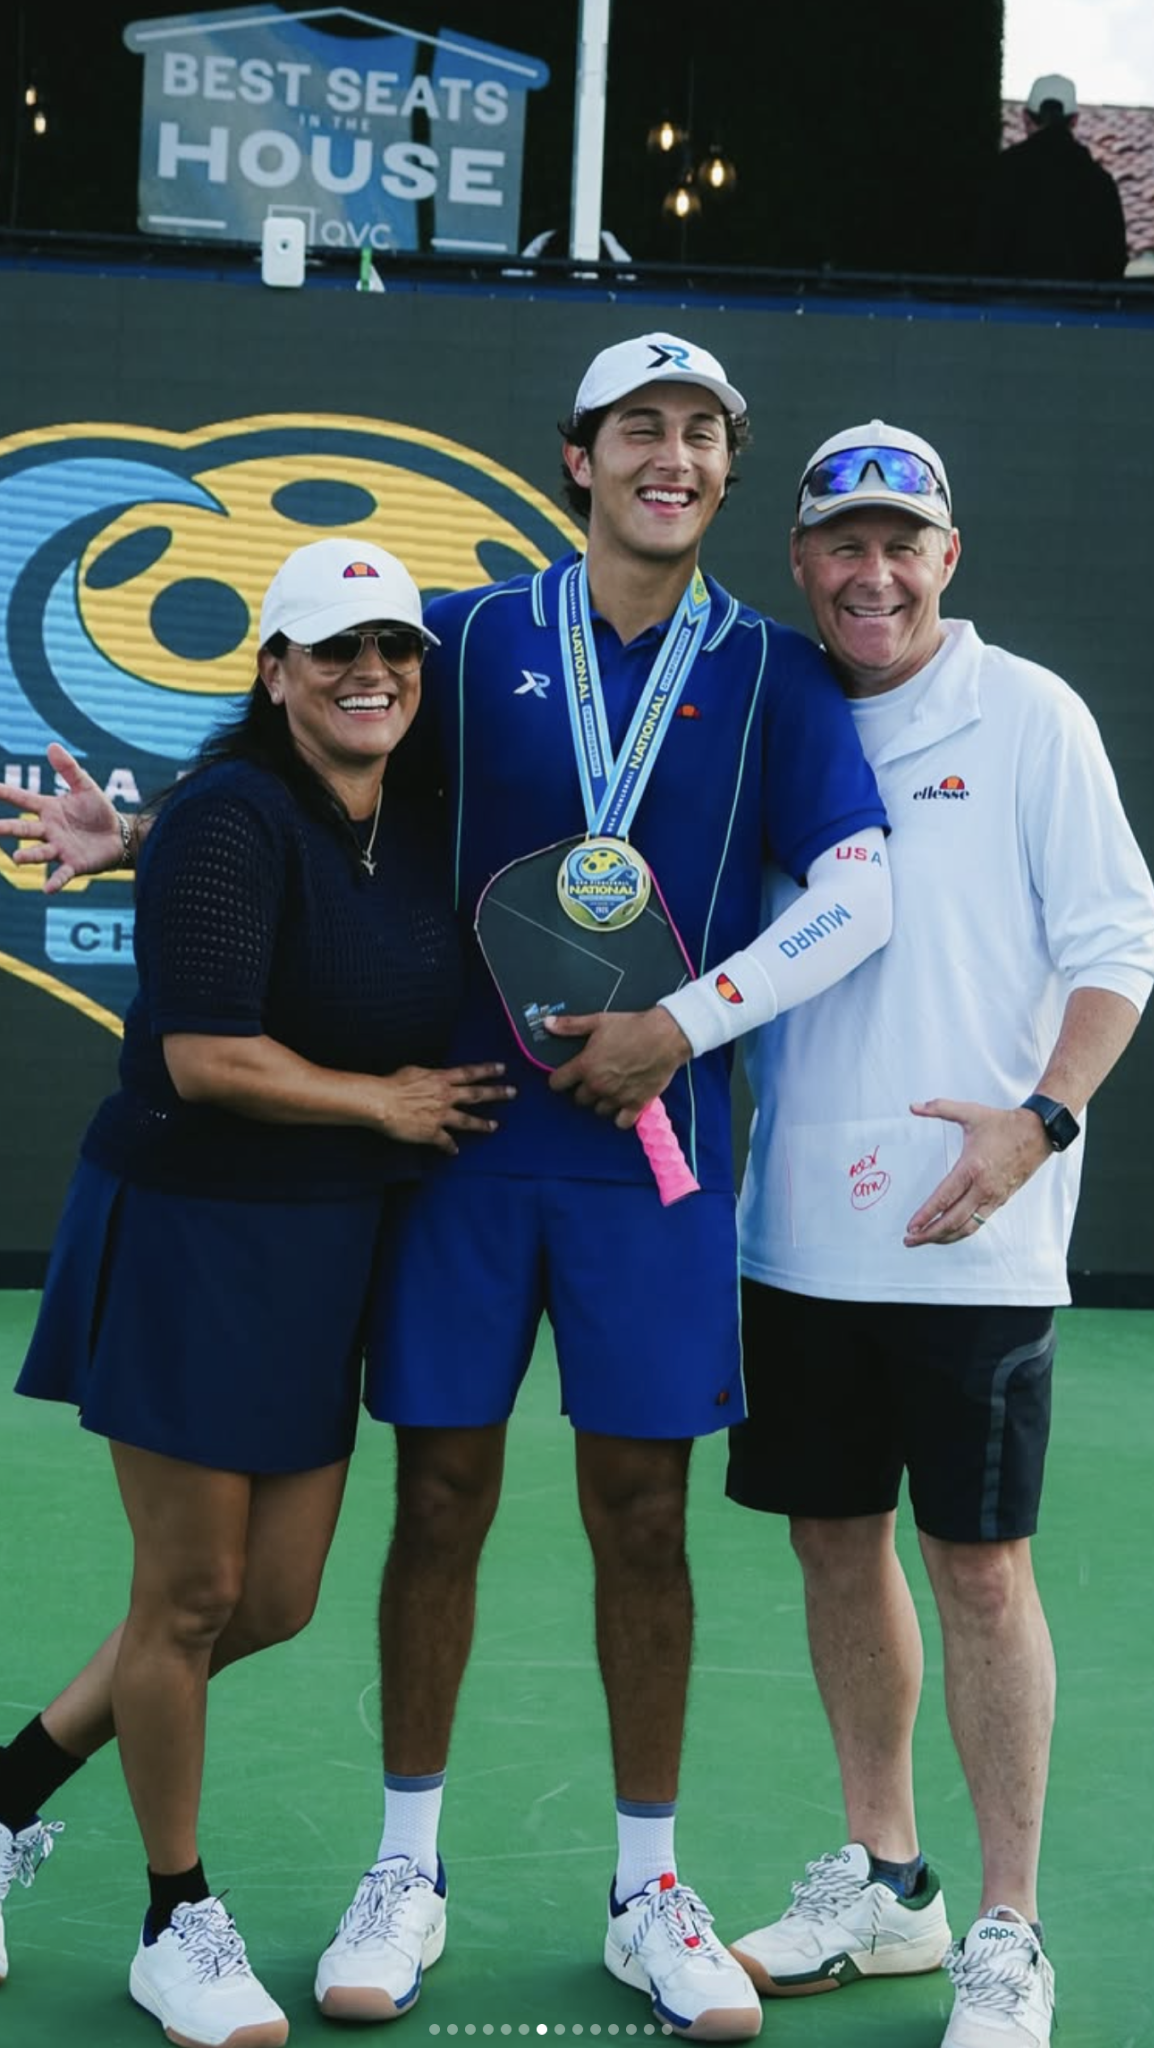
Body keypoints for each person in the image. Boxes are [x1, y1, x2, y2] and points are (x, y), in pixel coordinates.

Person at [0, 334, 894, 2039]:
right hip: (451, 1154)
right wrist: (153, 828)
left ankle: (647, 1887)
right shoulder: (472, 631)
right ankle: (402, 1867)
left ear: (724, 473)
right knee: (434, 1506)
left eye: (705, 434)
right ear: (575, 457)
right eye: (642, 426)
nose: (675, 456)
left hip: (655, 1170)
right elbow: (310, 748)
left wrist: (679, 1023)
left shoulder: (773, 673)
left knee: (640, 1519)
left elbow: (858, 892)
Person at [0, 537, 512, 2046]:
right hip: (184, 1230)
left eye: (394, 651)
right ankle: (178, 1916)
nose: (371, 674)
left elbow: (301, 861)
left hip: (321, 1248)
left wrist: (132, 833)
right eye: (333, 649)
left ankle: (10, 1795)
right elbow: (205, 1058)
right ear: (274, 670)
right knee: (192, 1593)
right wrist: (390, 1108)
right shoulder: (228, 809)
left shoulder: (415, 810)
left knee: (269, 1602)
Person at [720, 422, 1154, 2048]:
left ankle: (1003, 1923)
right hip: (796, 1238)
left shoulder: (1024, 711)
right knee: (831, 1543)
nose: (872, 572)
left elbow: (1116, 943)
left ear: (946, 558)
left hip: (975, 1235)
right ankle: (887, 1880)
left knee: (976, 1567)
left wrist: (1034, 1119)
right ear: (799, 562)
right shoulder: (765, 714)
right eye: (842, 542)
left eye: (901, 542)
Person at [977, 72, 1128, 283]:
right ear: (1074, 120)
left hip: (1010, 309)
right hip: (1082, 311)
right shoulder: (1100, 182)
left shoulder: (1001, 171)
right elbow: (1114, 261)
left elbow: (982, 250)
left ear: (1025, 117)